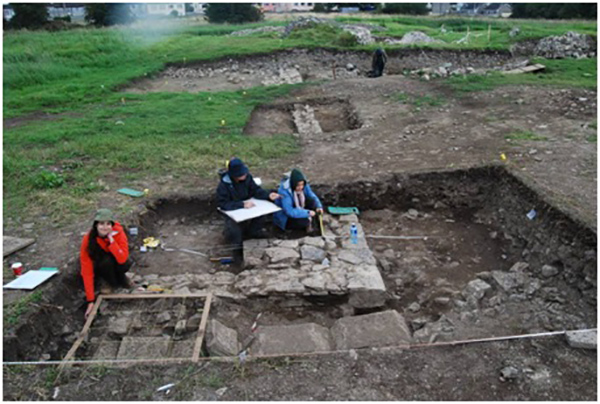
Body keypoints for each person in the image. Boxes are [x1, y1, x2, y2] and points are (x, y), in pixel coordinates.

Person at [217, 158, 280, 263]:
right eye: (241, 175)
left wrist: (268, 195)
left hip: (249, 206)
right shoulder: (224, 186)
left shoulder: (247, 178)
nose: (244, 176)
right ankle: (237, 253)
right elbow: (223, 204)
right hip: (234, 212)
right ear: (234, 176)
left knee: (261, 213)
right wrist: (241, 204)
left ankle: (254, 232)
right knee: (235, 231)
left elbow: (255, 190)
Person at [80, 209, 132, 318]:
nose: (105, 227)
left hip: (117, 261)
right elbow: (86, 270)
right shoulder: (88, 240)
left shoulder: (119, 232)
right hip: (102, 265)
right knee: (106, 262)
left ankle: (121, 279)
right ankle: (111, 283)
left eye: (108, 224)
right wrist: (90, 300)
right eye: (101, 224)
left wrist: (111, 241)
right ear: (96, 225)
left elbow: (123, 258)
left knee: (126, 263)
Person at [273, 168, 323, 233]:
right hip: (286, 217)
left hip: (299, 208)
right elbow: (289, 211)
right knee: (304, 222)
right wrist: (307, 213)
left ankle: (314, 222)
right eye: (298, 185)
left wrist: (318, 206)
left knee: (312, 202)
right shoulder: (285, 192)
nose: (301, 187)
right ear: (293, 184)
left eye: (302, 185)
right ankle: (296, 227)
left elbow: (311, 195)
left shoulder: (304, 185)